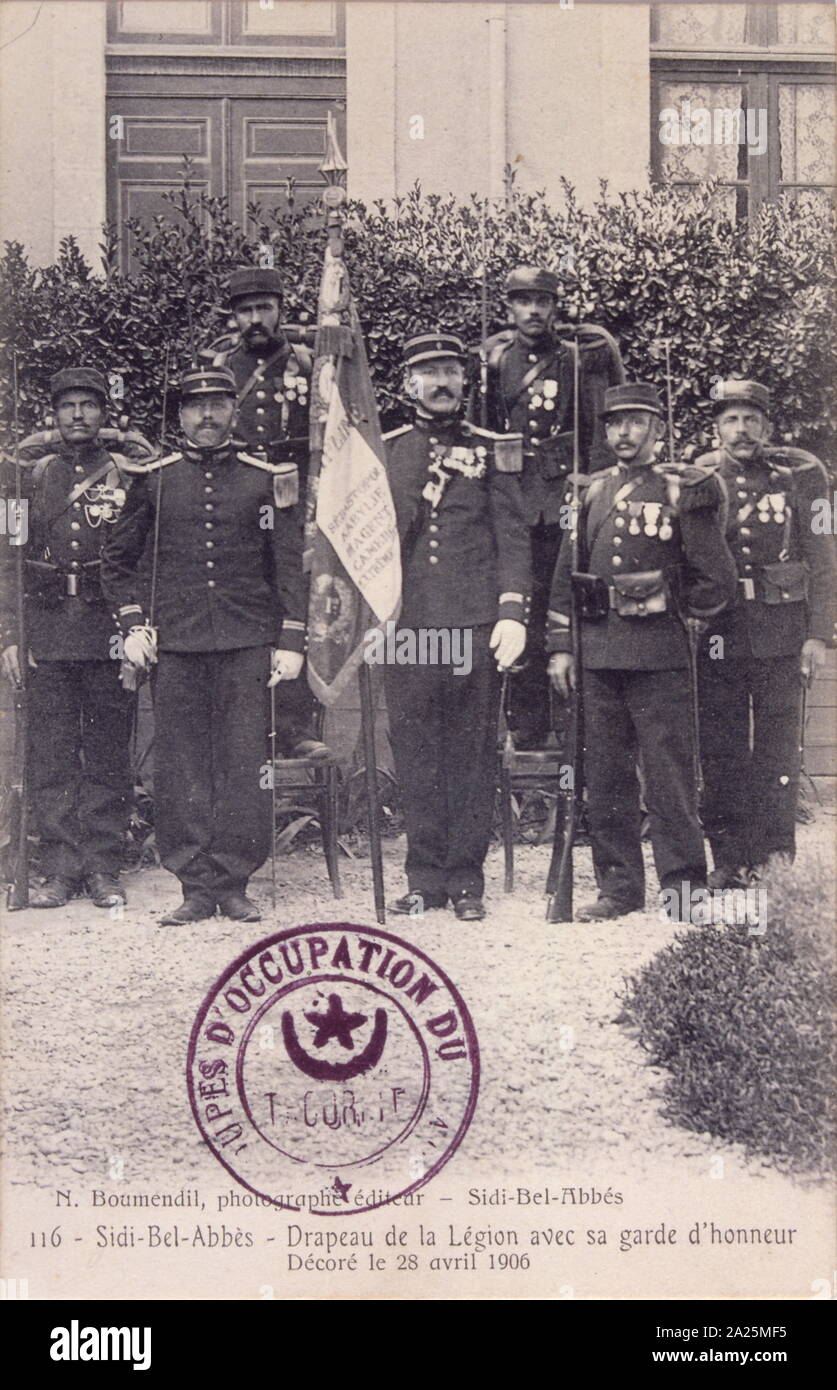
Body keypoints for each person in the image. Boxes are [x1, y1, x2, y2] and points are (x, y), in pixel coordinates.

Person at [100, 366, 307, 926]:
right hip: (179, 642)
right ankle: (193, 882)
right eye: (196, 407)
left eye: (218, 405)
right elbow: (118, 562)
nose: (208, 416)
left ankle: (235, 880)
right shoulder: (154, 479)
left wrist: (291, 637)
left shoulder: (266, 478)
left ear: (233, 412)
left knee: (244, 761)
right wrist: (134, 623)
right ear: (181, 416)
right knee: (182, 764)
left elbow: (288, 564)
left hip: (246, 641)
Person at [547, 382, 737, 922]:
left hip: (660, 656)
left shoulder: (684, 490)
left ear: (658, 429)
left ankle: (682, 884)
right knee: (605, 778)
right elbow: (567, 573)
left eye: (636, 423)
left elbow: (716, 580)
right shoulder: (591, 491)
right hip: (598, 654)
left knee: (668, 776)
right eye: (615, 424)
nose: (624, 434)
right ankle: (619, 888)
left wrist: (673, 608)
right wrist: (560, 648)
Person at [384, 331, 531, 921]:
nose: (442, 381)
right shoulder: (386, 449)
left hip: (472, 625)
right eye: (429, 371)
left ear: (466, 382)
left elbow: (513, 537)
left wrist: (513, 612)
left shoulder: (492, 451)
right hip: (409, 627)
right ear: (408, 384)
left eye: (451, 370)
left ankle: (467, 880)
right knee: (416, 751)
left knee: (471, 754)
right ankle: (424, 878)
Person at [469, 264, 624, 749]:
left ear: (556, 307)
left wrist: (594, 484)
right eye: (523, 301)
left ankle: (579, 731)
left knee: (570, 611)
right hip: (514, 503)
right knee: (524, 618)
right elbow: (480, 431)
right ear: (509, 307)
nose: (533, 310)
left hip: (564, 500)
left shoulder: (577, 359)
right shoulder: (493, 362)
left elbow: (601, 431)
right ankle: (529, 731)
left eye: (542, 301)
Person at [0, 367, 137, 909]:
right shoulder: (27, 483)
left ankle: (104, 868)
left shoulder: (128, 477)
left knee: (107, 752)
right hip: (48, 632)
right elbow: (7, 565)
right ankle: (59, 868)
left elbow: (140, 562)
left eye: (88, 405)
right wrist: (10, 635)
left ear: (104, 416)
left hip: (107, 630)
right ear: (53, 416)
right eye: (68, 407)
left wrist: (136, 632)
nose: (78, 415)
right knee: (52, 753)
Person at [692, 379, 836, 887]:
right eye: (731, 420)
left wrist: (818, 634)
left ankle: (775, 859)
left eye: (751, 419)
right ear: (716, 429)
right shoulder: (700, 478)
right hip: (720, 631)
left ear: (767, 426)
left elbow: (822, 555)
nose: (742, 430)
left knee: (778, 750)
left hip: (782, 629)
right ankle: (729, 858)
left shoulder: (801, 477)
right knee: (722, 746)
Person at [203, 264, 327, 760]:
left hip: (292, 503)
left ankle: (296, 727)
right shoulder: (217, 365)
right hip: (236, 501)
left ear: (280, 309)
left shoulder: (306, 362)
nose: (255, 318)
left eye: (264, 308)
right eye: (246, 310)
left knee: (292, 602)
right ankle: (244, 726)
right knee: (243, 600)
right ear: (234, 315)